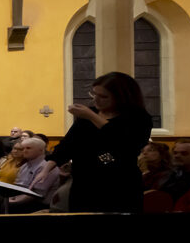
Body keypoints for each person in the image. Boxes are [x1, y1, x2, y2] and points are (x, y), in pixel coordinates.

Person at [32, 72, 152, 213]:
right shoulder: (88, 115)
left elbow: (124, 144)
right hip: (84, 183)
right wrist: (46, 169)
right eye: (94, 94)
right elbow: (68, 144)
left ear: (122, 97)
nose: (96, 100)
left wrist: (91, 116)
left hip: (118, 185)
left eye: (103, 97)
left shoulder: (137, 117)